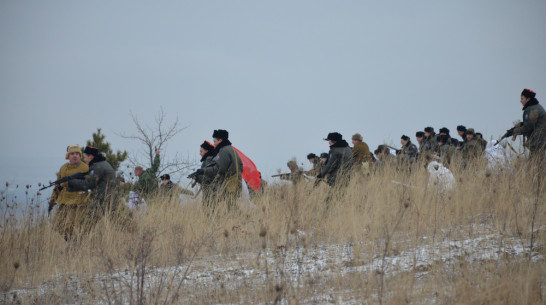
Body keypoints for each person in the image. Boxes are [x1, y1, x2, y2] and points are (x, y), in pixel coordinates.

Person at [68, 146, 120, 226]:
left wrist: (72, 181)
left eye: (85, 157)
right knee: (114, 223)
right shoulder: (104, 163)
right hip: (111, 198)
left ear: (91, 156)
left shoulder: (97, 166)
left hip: (102, 200)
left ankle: (80, 238)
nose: (84, 160)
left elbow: (88, 184)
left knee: (86, 224)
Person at [48, 145, 89, 240]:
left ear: (80, 155)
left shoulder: (85, 168)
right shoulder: (63, 168)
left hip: (78, 202)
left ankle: (74, 244)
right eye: (72, 154)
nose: (75, 156)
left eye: (77, 154)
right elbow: (58, 186)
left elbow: (90, 184)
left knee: (73, 227)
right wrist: (52, 199)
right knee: (57, 224)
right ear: (68, 156)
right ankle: (69, 242)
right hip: (64, 201)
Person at [203, 129, 243, 210]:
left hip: (228, 185)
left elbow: (220, 169)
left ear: (220, 140)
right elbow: (241, 166)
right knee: (231, 206)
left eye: (214, 141)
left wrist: (203, 171)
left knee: (212, 204)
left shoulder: (224, 151)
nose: (214, 144)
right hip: (235, 183)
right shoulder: (232, 150)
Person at [509, 89, 546, 157]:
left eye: (522, 98)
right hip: (541, 142)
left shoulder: (530, 110)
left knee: (534, 164)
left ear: (528, 99)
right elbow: (532, 123)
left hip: (537, 143)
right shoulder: (537, 107)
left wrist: (514, 131)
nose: (521, 101)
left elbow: (527, 128)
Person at [189, 140, 217, 205]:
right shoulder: (210, 159)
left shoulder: (208, 159)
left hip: (210, 191)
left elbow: (208, 178)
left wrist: (197, 177)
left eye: (201, 151)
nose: (200, 153)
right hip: (210, 191)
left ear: (206, 151)